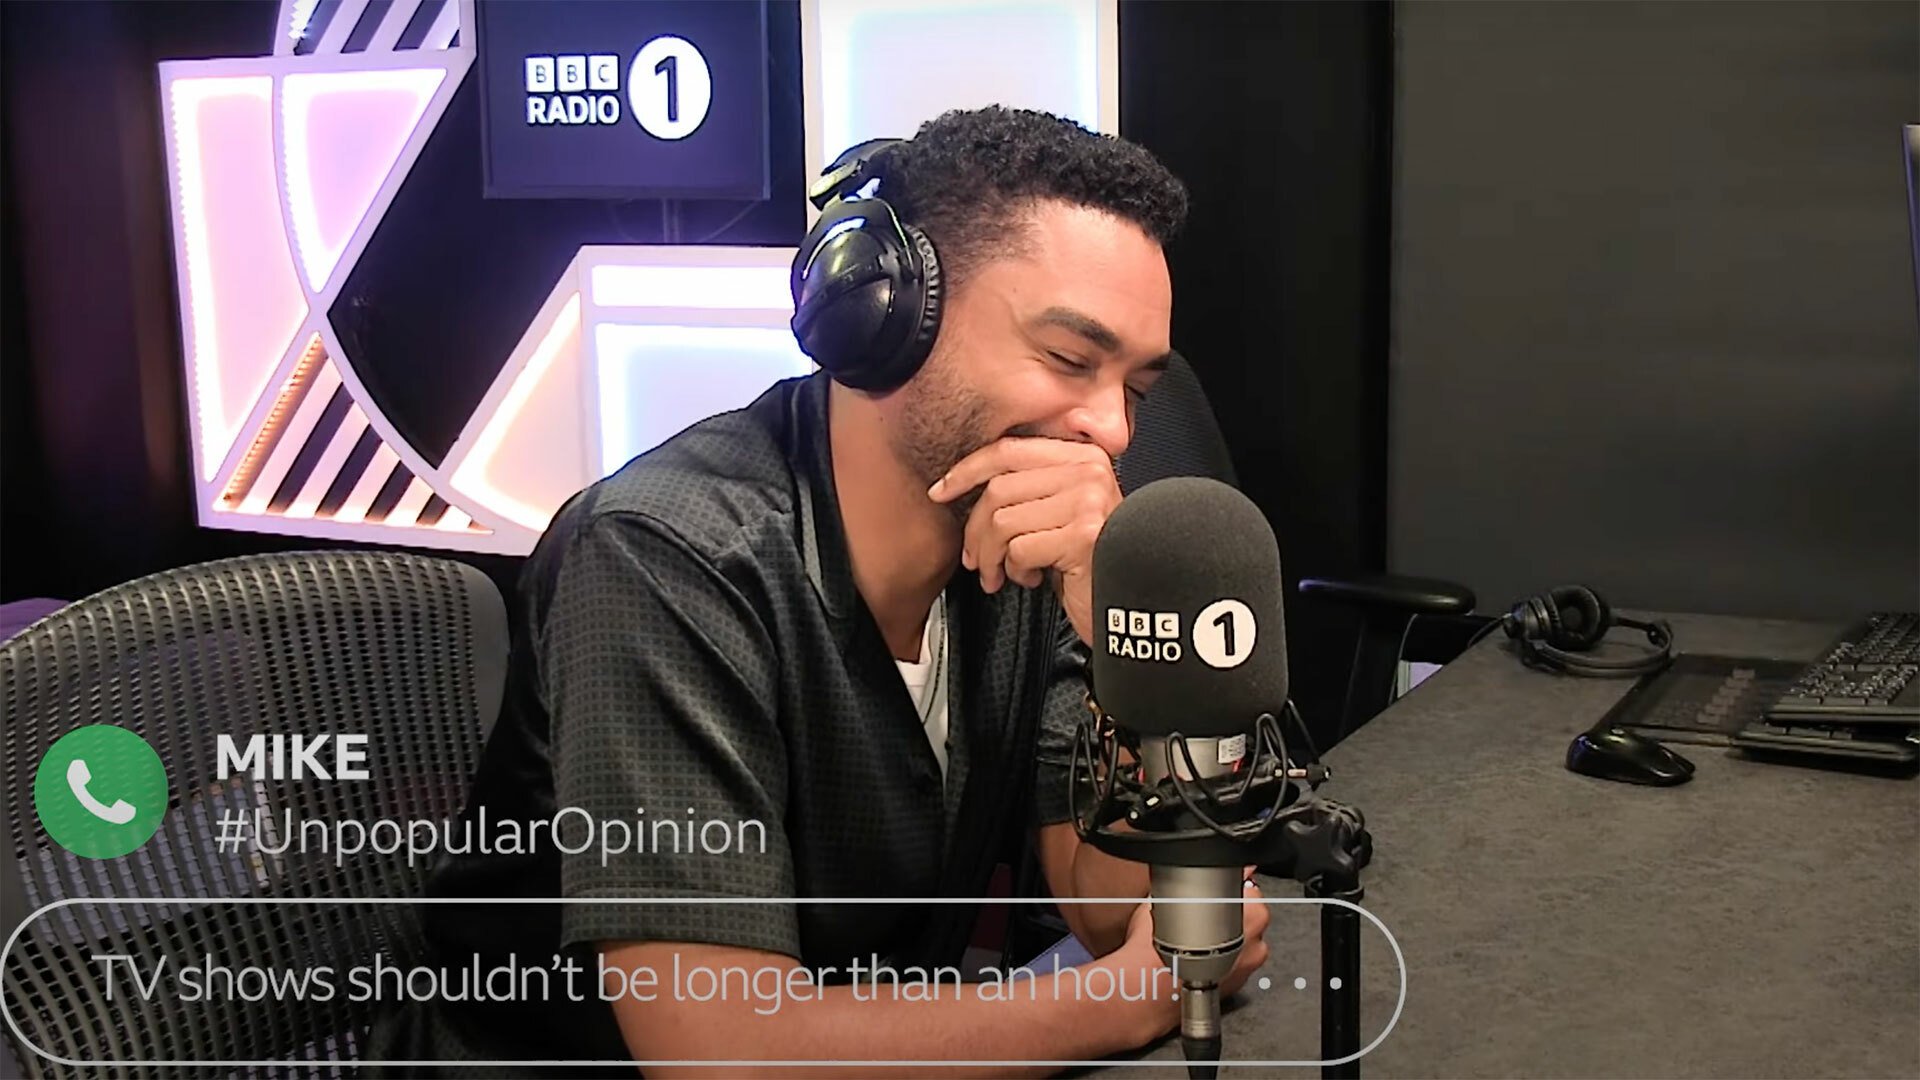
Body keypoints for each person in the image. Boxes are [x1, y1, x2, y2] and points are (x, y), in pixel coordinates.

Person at [368, 105, 1271, 1075]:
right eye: (1067, 359)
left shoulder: (1031, 551)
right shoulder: (667, 553)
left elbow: (1114, 910)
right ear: (880, 314)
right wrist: (1122, 1001)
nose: (1114, 431)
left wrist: (1129, 649)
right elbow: (725, 1051)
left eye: (1133, 388)